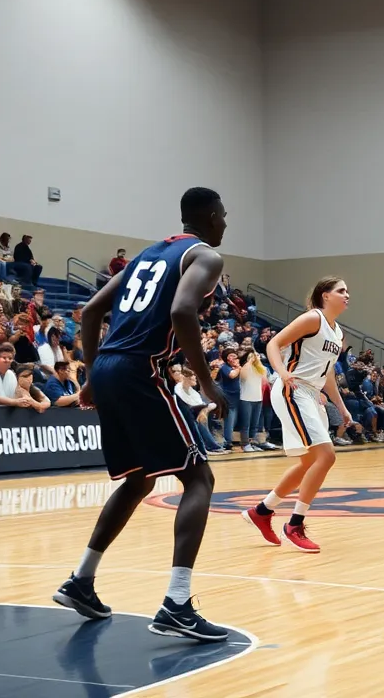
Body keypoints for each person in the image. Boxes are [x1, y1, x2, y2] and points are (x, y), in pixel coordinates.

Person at [52, 187, 232, 642]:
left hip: (111, 366)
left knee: (139, 477)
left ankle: (81, 580)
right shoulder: (206, 256)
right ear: (210, 217)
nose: (226, 223)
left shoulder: (148, 255)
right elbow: (181, 311)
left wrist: (92, 375)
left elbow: (91, 311)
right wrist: (207, 382)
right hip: (140, 369)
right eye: (224, 216)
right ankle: (177, 603)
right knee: (200, 479)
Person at [242, 277, 353, 554]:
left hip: (311, 394)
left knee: (307, 463)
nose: (346, 295)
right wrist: (281, 372)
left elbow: (326, 374)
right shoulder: (313, 318)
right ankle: (295, 524)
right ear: (325, 296)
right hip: (293, 389)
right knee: (326, 456)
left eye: (347, 291)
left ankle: (262, 511)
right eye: (341, 291)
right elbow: (273, 344)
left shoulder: (338, 333)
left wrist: (341, 406)